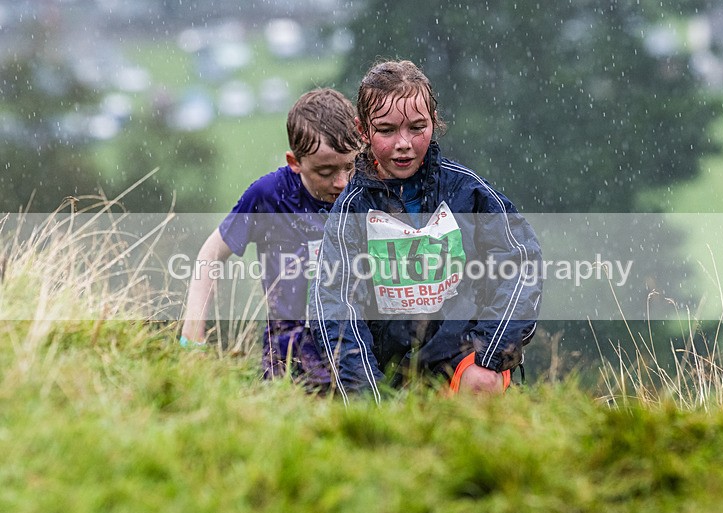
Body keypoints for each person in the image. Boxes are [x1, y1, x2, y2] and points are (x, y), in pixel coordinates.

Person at [310, 60, 542, 402]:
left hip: (463, 358)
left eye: (417, 127)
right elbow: (334, 308)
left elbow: (523, 264)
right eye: (387, 130)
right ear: (363, 131)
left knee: (481, 385)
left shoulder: (467, 191)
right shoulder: (350, 211)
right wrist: (370, 400)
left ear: (434, 121)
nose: (404, 143)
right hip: (386, 371)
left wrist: (490, 356)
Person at [180, 88, 360, 391]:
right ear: (295, 162)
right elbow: (210, 254)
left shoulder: (365, 190)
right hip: (286, 365)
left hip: (357, 357)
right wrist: (192, 341)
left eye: (349, 166)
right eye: (326, 171)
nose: (341, 182)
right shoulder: (268, 196)